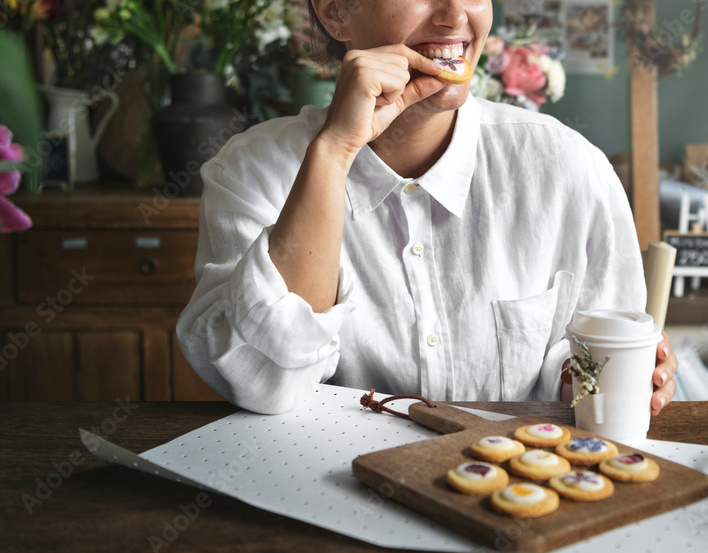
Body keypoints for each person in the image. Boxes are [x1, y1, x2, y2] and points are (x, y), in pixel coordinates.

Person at [176, 0, 678, 415]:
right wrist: (333, 154)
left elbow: (585, 377)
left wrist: (597, 382)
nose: (456, 14)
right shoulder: (250, 171)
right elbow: (263, 385)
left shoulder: (569, 168)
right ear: (334, 12)